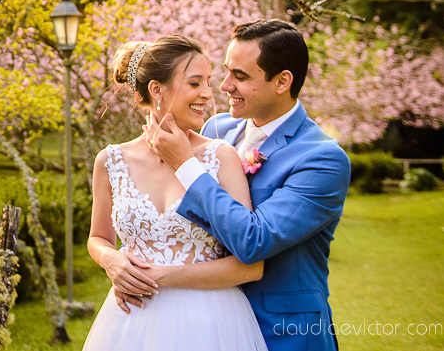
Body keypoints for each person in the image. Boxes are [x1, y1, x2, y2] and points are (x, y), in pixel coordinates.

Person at [150, 19, 350, 351]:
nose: (225, 86)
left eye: (240, 76)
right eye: (226, 72)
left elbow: (255, 241)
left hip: (283, 332)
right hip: (208, 321)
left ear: (282, 81)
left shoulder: (322, 160)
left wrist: (185, 164)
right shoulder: (217, 129)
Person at [83, 35, 268, 351]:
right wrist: (110, 259)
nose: (208, 95)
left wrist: (160, 276)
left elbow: (250, 266)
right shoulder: (111, 161)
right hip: (128, 325)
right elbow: (98, 238)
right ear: (156, 89)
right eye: (195, 83)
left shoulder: (221, 157)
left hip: (211, 324)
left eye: (208, 83)